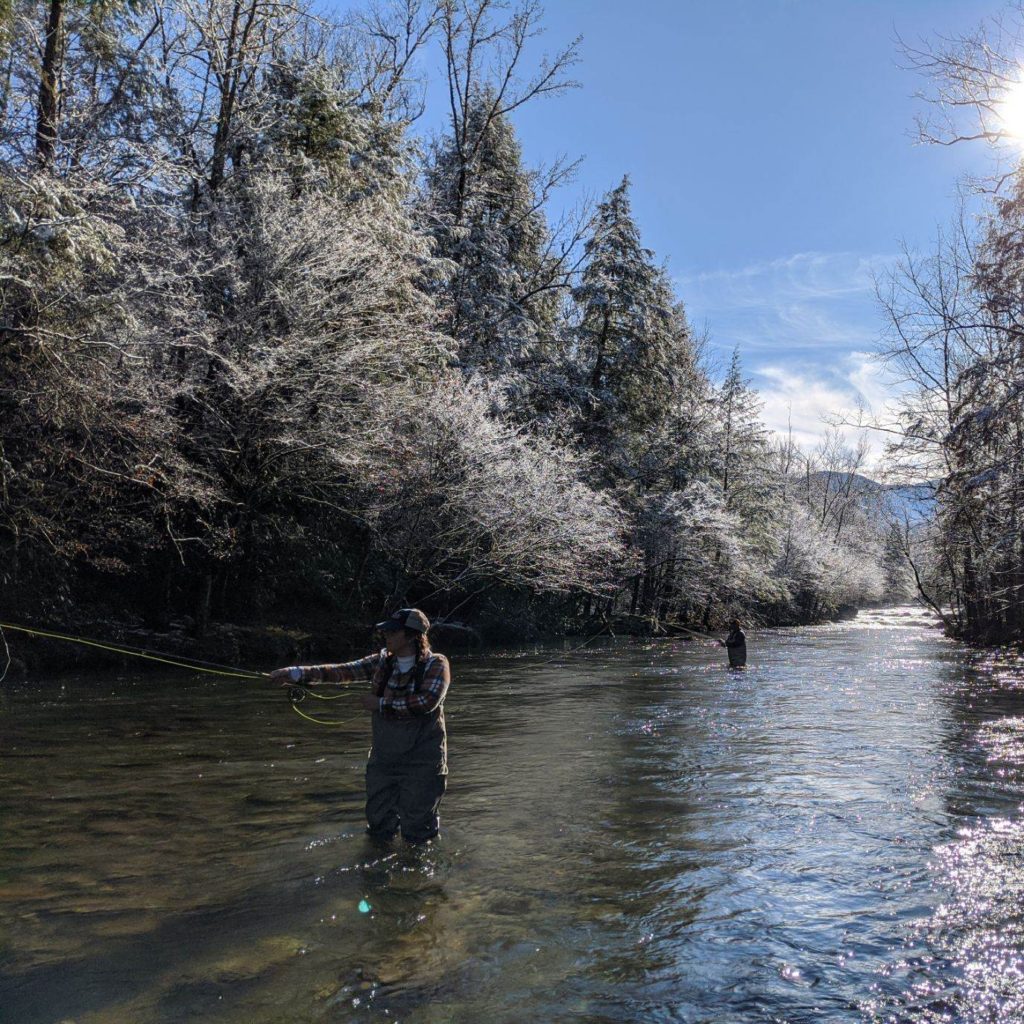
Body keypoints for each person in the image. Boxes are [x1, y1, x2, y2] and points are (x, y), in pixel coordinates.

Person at [270, 608, 450, 844]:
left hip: (423, 761)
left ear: (411, 636)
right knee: (378, 825)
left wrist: (381, 703)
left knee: (418, 829)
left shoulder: (437, 664)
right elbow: (341, 671)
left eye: (393, 632)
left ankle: (418, 877)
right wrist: (294, 674)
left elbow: (427, 702)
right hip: (384, 758)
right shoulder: (381, 662)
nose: (386, 636)